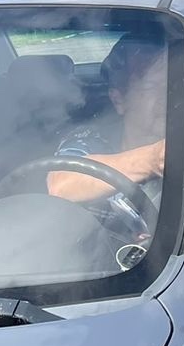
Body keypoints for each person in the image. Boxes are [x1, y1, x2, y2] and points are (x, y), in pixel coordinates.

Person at [47, 31, 169, 241]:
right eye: (151, 87)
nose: (164, 97)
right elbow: (61, 182)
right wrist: (154, 159)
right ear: (119, 100)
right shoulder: (90, 138)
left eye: (171, 86)